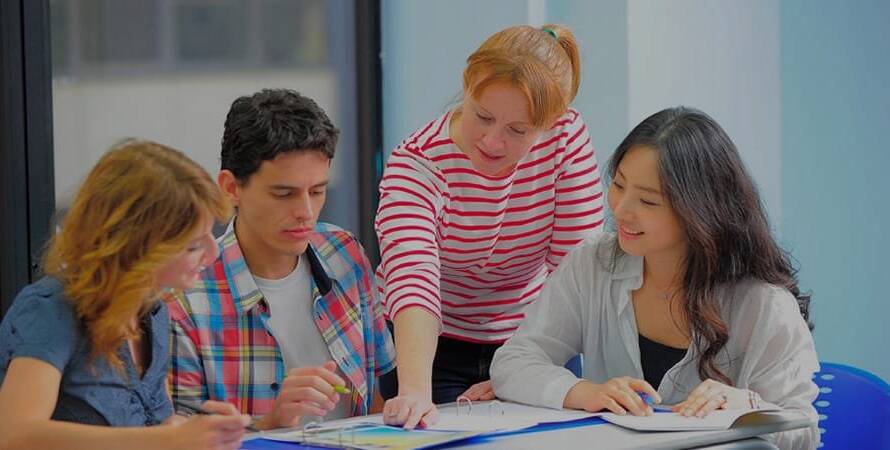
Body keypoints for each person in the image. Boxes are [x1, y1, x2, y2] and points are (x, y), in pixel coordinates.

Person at [491, 107, 820, 449]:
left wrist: (749, 406)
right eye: (618, 184)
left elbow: (804, 434)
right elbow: (515, 361)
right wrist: (584, 392)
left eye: (648, 201)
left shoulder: (763, 305)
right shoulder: (594, 262)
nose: (621, 210)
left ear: (700, 211)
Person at [376, 24, 605, 429]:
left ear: (551, 123)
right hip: (431, 346)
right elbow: (413, 280)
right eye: (482, 117)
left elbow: (575, 273)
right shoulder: (418, 163)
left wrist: (522, 370)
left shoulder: (566, 139)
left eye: (518, 131)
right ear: (467, 86)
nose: (493, 142)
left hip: (535, 336)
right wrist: (414, 393)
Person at [165, 89, 395, 431]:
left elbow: (375, 399)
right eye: (284, 194)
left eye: (317, 191)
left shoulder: (345, 254)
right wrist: (273, 422)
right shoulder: (185, 299)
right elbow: (179, 442)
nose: (305, 212)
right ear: (230, 188)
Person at [0, 141, 247, 450]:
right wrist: (164, 439)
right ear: (138, 248)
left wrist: (201, 432)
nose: (213, 253)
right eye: (194, 245)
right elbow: (16, 436)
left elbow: (156, 431)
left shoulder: (154, 312)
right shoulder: (50, 311)